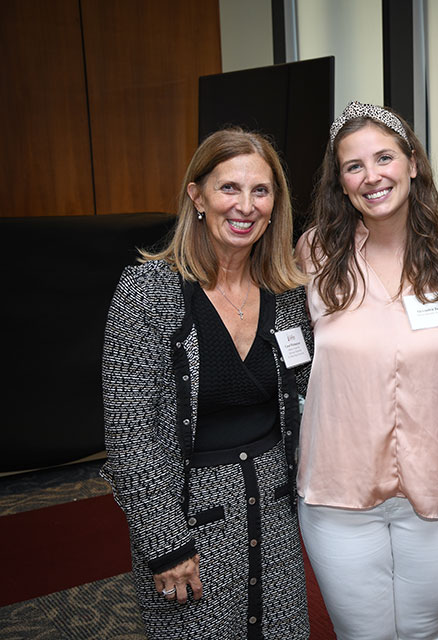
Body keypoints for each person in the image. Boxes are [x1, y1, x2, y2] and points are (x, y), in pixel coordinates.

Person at [102, 128, 313, 639]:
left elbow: (308, 398)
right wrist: (164, 541)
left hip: (276, 516)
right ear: (197, 196)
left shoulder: (286, 294)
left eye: (261, 191)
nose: (245, 206)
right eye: (229, 189)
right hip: (189, 518)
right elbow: (129, 432)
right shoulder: (148, 292)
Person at [296, 102, 438, 639]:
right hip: (339, 491)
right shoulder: (314, 255)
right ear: (340, 181)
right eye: (354, 166)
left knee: (428, 631)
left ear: (412, 164)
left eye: (384, 157)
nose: (372, 175)